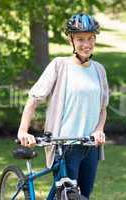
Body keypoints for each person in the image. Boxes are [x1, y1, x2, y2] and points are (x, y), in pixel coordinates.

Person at [18, 13, 109, 200]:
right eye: (80, 39)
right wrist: (23, 131)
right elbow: (34, 99)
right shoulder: (60, 66)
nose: (86, 44)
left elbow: (102, 108)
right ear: (71, 41)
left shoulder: (99, 70)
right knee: (68, 195)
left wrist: (99, 130)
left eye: (91, 38)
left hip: (90, 146)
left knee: (84, 195)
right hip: (64, 146)